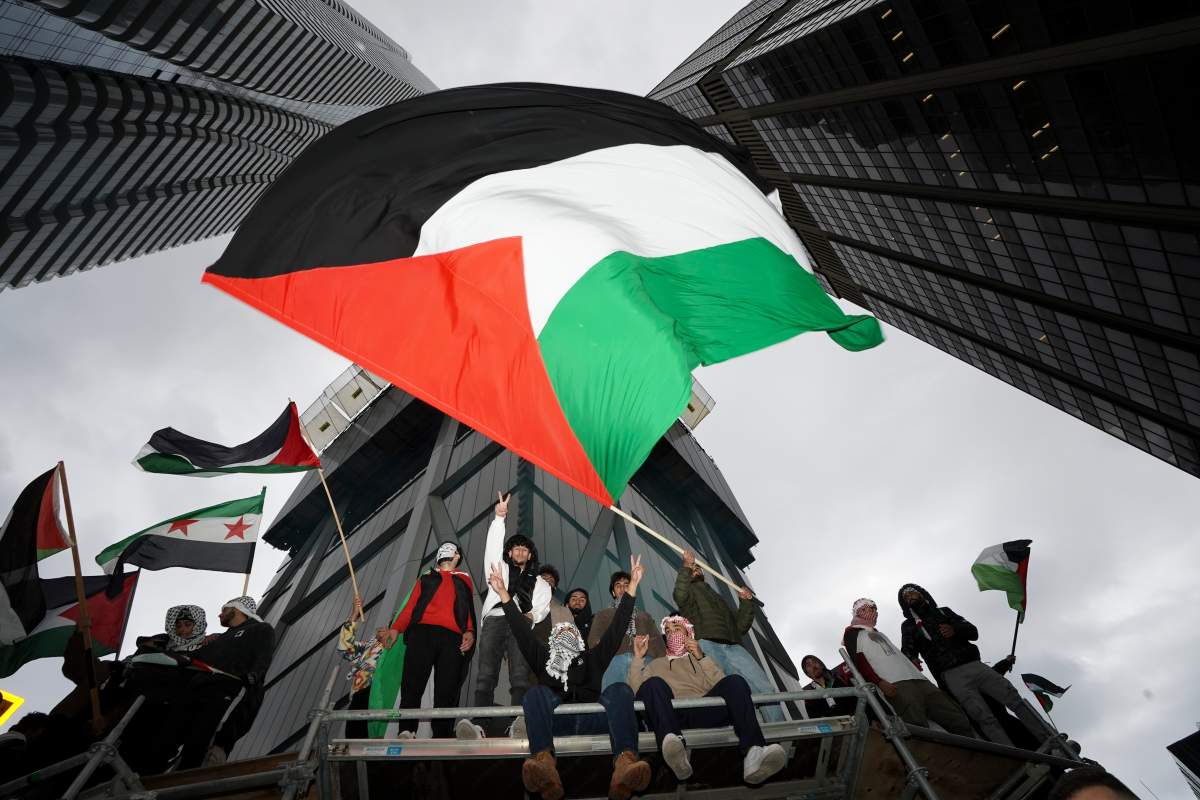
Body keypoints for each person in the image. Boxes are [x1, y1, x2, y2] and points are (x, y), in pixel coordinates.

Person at [494, 555, 652, 800]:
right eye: (561, 632)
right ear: (553, 640)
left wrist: (632, 587)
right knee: (536, 693)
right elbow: (522, 632)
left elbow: (617, 628)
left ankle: (625, 763)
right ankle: (544, 763)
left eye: (571, 632)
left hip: (593, 718)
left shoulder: (593, 658)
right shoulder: (544, 659)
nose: (566, 634)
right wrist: (504, 594)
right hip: (557, 722)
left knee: (620, 690)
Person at [628, 614, 787, 785]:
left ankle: (754, 752)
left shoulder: (701, 657)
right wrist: (638, 658)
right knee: (653, 683)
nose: (672, 633)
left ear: (688, 633)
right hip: (672, 716)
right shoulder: (656, 664)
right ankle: (674, 749)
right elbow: (638, 692)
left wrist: (701, 657)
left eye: (677, 628)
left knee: (735, 681)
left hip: (705, 710)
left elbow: (723, 684)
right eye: (668, 631)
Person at [898, 583, 1052, 747]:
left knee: (1014, 700)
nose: (909, 596)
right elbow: (907, 649)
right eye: (905, 597)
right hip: (951, 677)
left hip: (975, 665)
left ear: (922, 594)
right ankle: (1013, 756)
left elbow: (973, 632)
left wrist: (955, 629)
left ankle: (1052, 741)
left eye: (911, 592)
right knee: (982, 717)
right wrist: (911, 659)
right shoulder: (909, 625)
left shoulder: (944, 612)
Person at [459, 493, 549, 739]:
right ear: (509, 552)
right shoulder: (500, 569)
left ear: (530, 555)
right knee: (486, 674)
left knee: (519, 675)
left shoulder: (540, 582)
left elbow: (542, 607)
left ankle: (517, 723)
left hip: (520, 623)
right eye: (515, 548)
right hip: (496, 618)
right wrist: (499, 518)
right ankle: (480, 724)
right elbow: (492, 548)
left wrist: (532, 616)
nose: (520, 552)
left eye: (524, 549)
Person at [380, 541, 476, 739]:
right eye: (445, 547)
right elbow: (411, 606)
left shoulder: (464, 579)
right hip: (421, 633)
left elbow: (467, 608)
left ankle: (441, 735)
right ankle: (406, 730)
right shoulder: (426, 577)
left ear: (457, 557)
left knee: (447, 687)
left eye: (452, 548)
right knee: (412, 683)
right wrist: (396, 628)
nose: (447, 550)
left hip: (452, 637)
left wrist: (469, 630)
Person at [674, 549, 781, 721]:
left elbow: (739, 627)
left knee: (764, 686)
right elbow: (679, 594)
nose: (695, 569)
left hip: (733, 645)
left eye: (697, 568)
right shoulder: (688, 594)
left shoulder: (718, 597)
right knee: (737, 690)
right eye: (692, 568)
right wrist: (686, 567)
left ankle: (778, 729)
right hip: (708, 644)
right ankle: (753, 731)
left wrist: (746, 603)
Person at [842, 598, 974, 737]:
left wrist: (911, 662)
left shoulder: (878, 633)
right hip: (896, 683)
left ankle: (973, 746)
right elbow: (859, 661)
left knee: (953, 715)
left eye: (873, 608)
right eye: (865, 609)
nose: (871, 611)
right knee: (917, 725)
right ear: (856, 613)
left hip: (919, 679)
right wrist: (879, 682)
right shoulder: (852, 633)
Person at [171, 595, 276, 768]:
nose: (220, 615)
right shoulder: (218, 639)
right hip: (199, 692)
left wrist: (252, 676)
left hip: (231, 691)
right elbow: (192, 659)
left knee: (207, 743)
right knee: (184, 739)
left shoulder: (260, 629)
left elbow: (263, 657)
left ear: (237, 609)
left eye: (224, 610)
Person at [588, 570, 665, 690]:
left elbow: (658, 642)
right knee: (614, 696)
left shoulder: (645, 616)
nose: (622, 588)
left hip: (644, 661)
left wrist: (659, 662)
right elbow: (593, 640)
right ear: (613, 592)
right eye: (618, 585)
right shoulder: (603, 614)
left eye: (626, 585)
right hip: (614, 661)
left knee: (647, 696)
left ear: (632, 589)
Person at [336, 597, 389, 738]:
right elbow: (345, 649)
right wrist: (354, 615)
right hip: (361, 693)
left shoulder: (401, 643)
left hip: (384, 694)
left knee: (379, 739)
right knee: (355, 739)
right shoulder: (370, 645)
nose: (384, 629)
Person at [131, 605, 208, 654]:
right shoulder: (164, 640)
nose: (182, 629)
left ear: (198, 626)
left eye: (188, 624)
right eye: (178, 625)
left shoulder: (207, 643)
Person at [800, 655, 858, 719]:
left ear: (821, 665)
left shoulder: (841, 678)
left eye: (815, 662)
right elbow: (815, 719)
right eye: (808, 665)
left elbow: (858, 698)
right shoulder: (810, 697)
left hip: (856, 719)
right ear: (807, 673)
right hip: (835, 724)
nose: (813, 665)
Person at [530, 564, 574, 644]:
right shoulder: (524, 598)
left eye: (551, 580)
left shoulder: (563, 611)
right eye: (544, 578)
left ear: (555, 587)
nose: (547, 581)